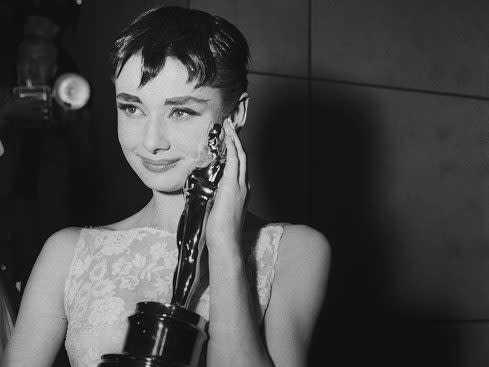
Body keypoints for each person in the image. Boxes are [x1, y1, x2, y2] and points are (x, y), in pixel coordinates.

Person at [2, 6, 330, 367]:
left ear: (234, 115)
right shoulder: (66, 254)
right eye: (132, 109)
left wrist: (224, 246)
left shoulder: (295, 251)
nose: (152, 140)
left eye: (181, 112)